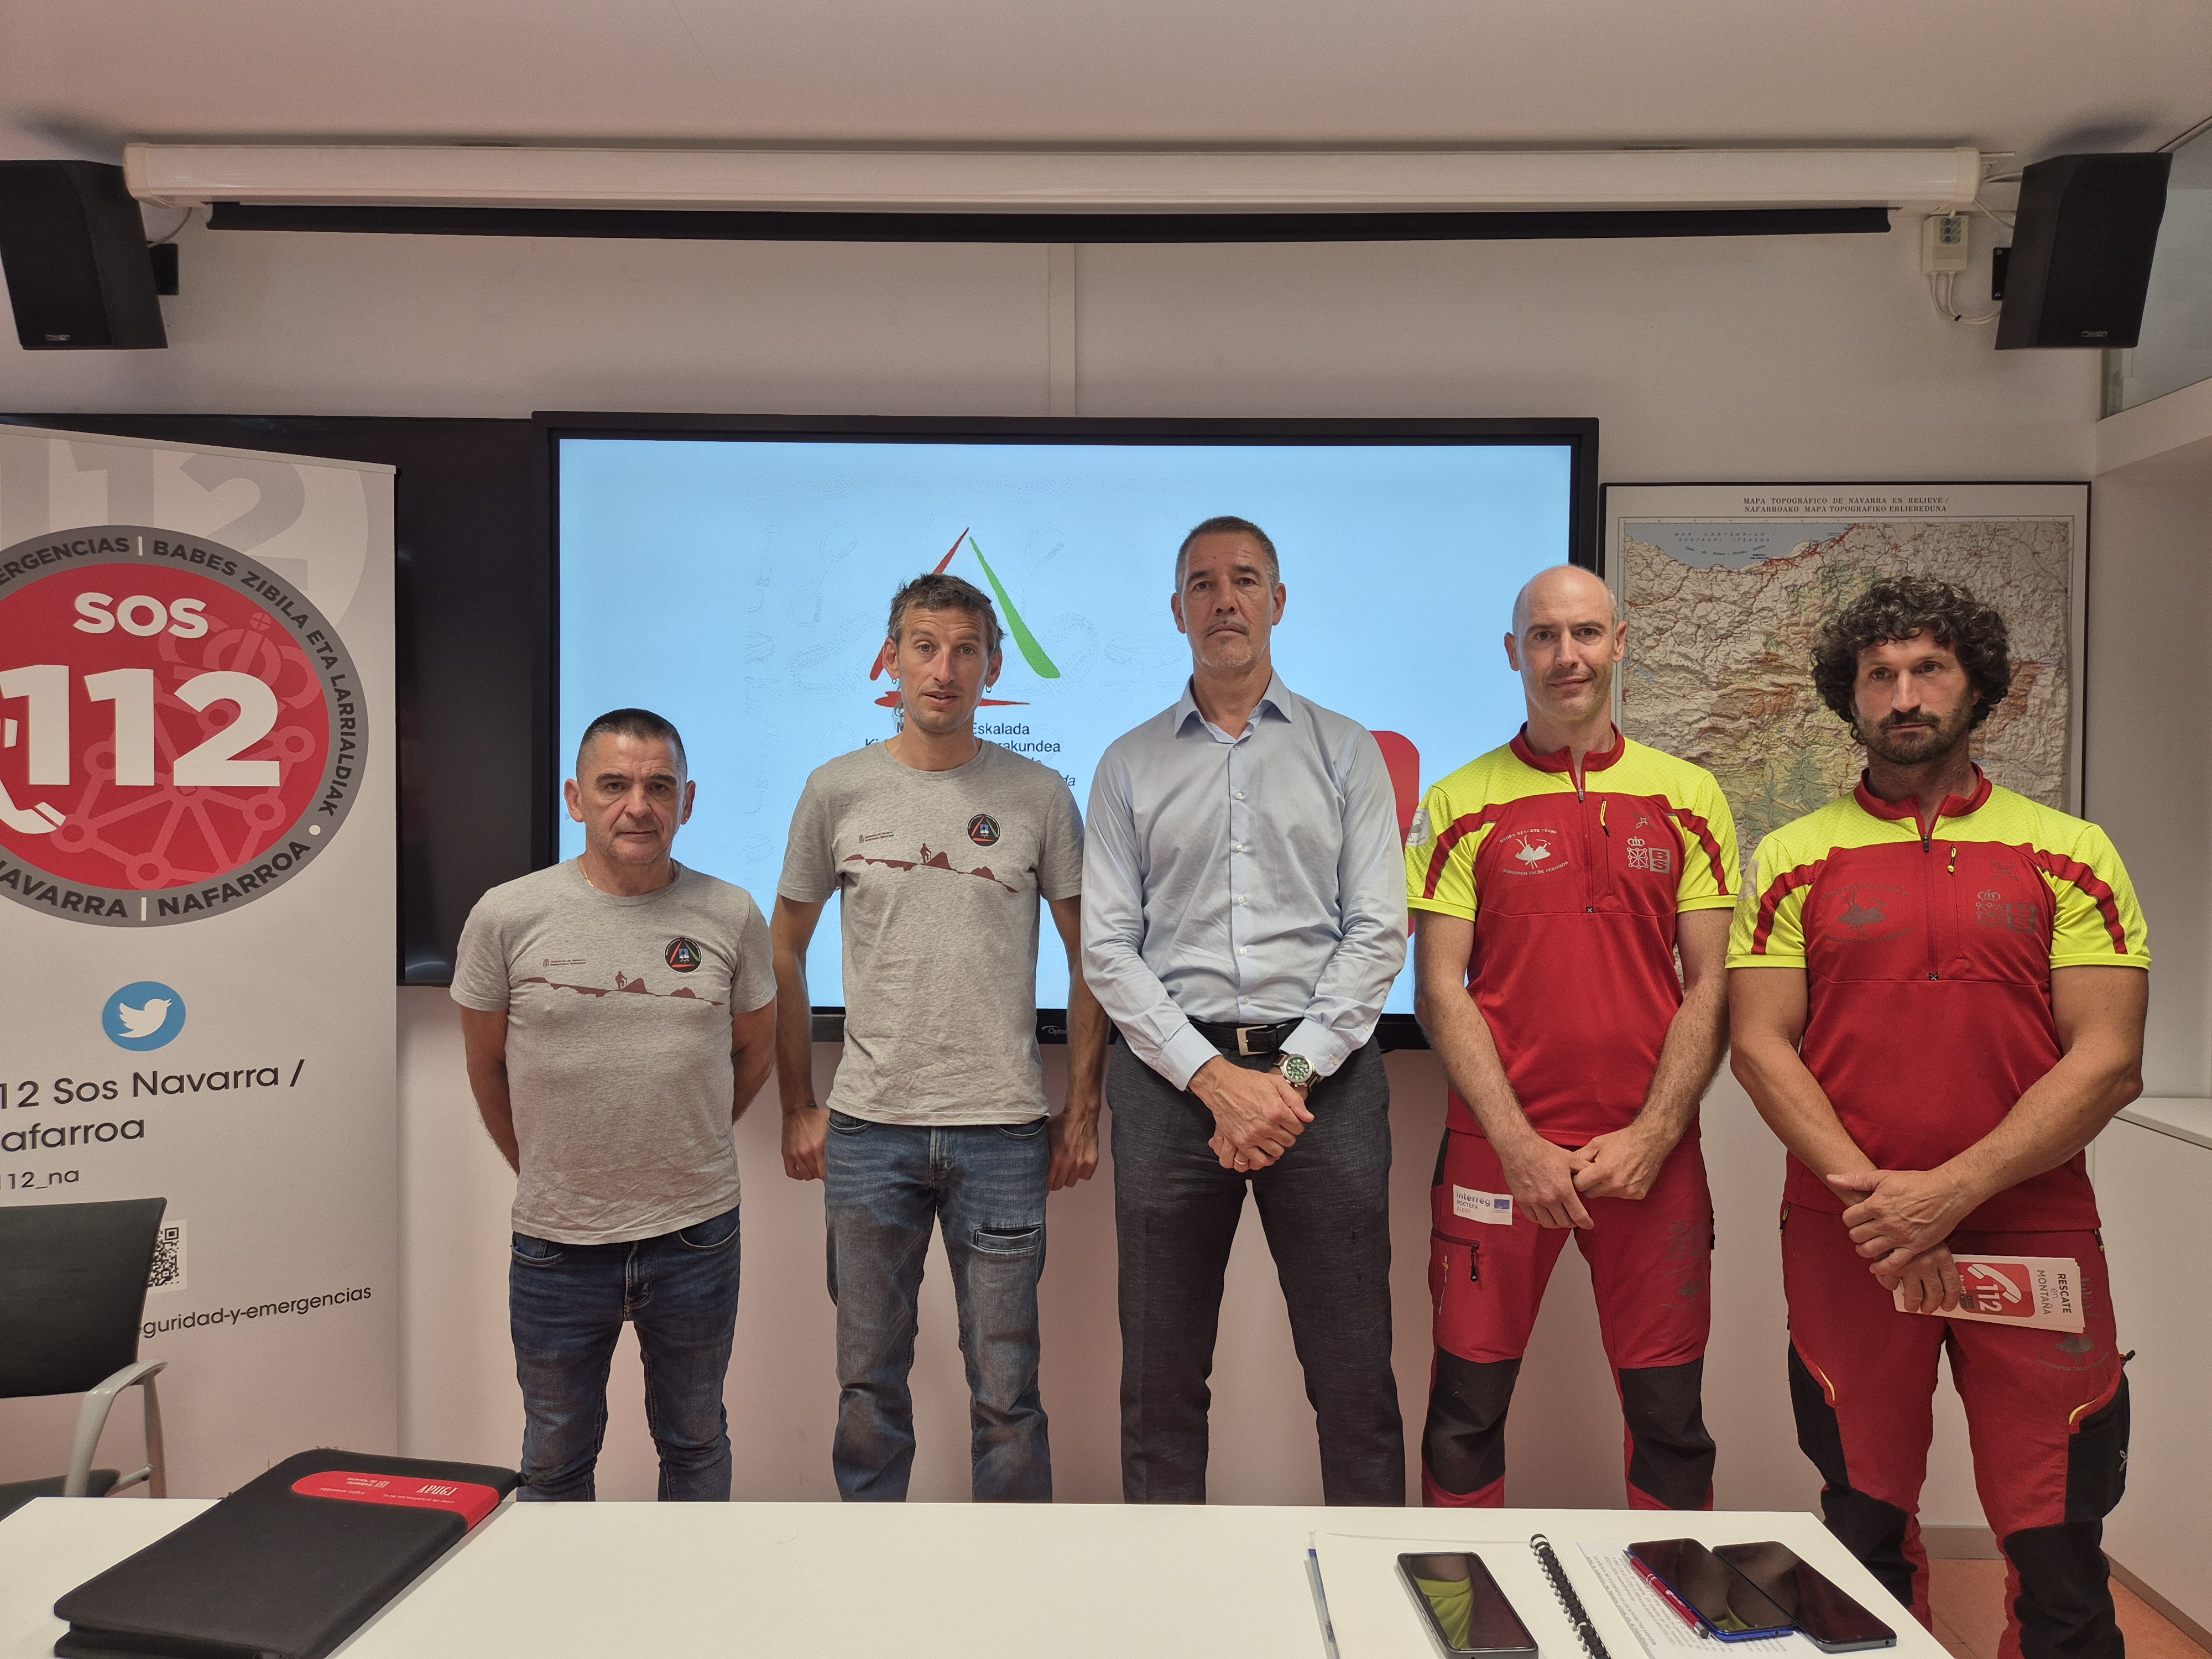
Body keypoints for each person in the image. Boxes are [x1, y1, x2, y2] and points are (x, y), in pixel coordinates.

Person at [1729, 576, 2146, 1658]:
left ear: (1976, 689)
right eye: (1878, 675)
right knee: (1861, 1518)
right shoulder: (1789, 860)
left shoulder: (2072, 853)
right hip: (1849, 1234)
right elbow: (1758, 1045)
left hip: (2028, 1228)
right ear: (1848, 698)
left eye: (1927, 670)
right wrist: (1881, 1201)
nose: (1902, 695)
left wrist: (1951, 1191)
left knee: (2056, 1535)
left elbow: (2106, 1062)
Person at [1084, 514, 1409, 1505]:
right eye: (1203, 584)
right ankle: (1167, 1607)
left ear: (1278, 601)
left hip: (1329, 1090)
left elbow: (1376, 933)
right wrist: (1216, 1080)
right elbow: (1107, 947)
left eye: (1246, 580)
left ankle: (1375, 1591)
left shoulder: (1347, 753)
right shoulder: (1128, 765)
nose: (1225, 600)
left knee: (1355, 1377)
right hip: (1172, 1093)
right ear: (1178, 610)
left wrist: (1288, 1078)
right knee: (1161, 1382)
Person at [1404, 564, 1739, 1509]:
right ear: (1515, 653)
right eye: (1544, 637)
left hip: (1651, 1157)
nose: (1567, 656)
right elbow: (1440, 988)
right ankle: (1461, 1627)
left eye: (1586, 634)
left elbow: (1710, 984)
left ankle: (1673, 1621)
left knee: (1671, 1416)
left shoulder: (1690, 797)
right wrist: (1516, 1145)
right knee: (1466, 1411)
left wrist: (1653, 1135)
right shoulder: (1459, 801)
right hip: (1496, 1157)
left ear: (1620, 643)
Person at [773, 571, 1106, 1504]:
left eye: (966, 650)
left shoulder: (1040, 795)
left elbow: (1093, 961)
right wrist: (799, 1104)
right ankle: (878, 1590)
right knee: (868, 1388)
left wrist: (1083, 1108)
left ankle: (1011, 1601)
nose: (945, 668)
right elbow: (783, 954)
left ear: (994, 666)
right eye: (925, 646)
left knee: (1007, 1394)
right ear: (893, 660)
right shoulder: (834, 791)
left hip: (1001, 1132)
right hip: (868, 1133)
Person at [452, 708, 776, 1501]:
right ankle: (566, 1618)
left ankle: (692, 1612)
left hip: (696, 1236)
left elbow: (754, 1052)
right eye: (615, 785)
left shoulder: (730, 914)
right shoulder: (507, 914)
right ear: (575, 798)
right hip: (558, 1246)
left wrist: (680, 1142)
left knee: (696, 1440)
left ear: (688, 802)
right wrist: (549, 1169)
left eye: (659, 787)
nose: (639, 805)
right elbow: (487, 1067)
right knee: (557, 1454)